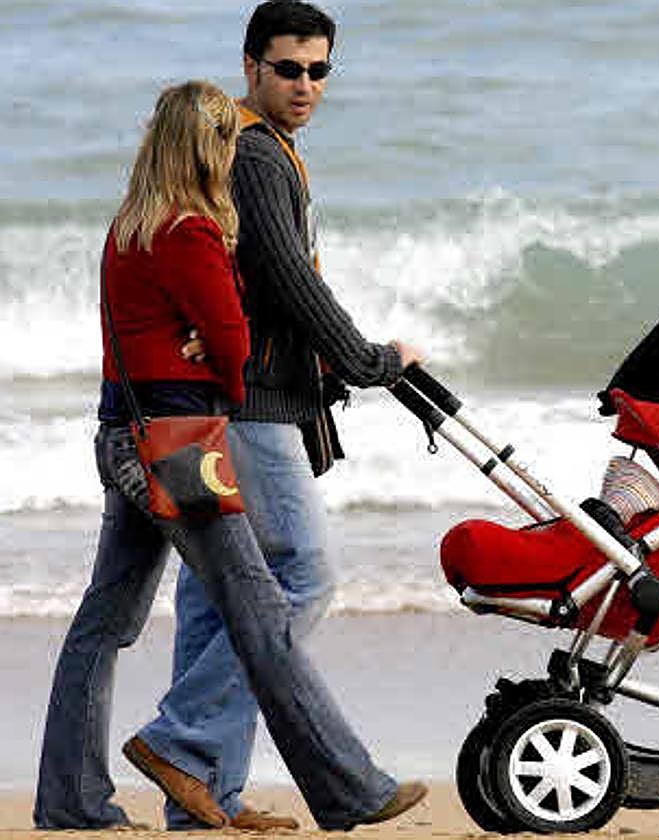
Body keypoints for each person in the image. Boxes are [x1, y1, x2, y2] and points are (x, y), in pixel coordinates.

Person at [32, 80, 426, 832]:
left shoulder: (129, 227)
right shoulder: (190, 230)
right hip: (181, 451)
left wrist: (203, 337)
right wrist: (215, 347)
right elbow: (236, 350)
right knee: (265, 613)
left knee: (106, 623)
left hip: (124, 437)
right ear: (208, 146)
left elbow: (178, 331)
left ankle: (72, 802)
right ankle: (347, 788)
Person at [130, 1, 424, 830]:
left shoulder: (263, 151)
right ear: (250, 66)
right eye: (288, 68)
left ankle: (202, 804)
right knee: (302, 575)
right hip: (252, 406)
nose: (305, 84)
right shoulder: (256, 153)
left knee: (219, 596)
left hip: (231, 401)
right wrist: (367, 360)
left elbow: (265, 285)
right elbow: (290, 280)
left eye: (319, 70)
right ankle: (182, 742)